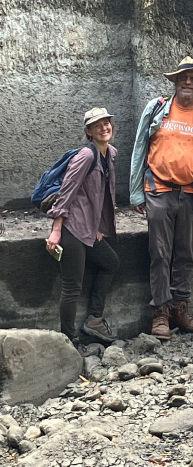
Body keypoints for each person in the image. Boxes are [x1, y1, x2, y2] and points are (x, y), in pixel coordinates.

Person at [129, 56, 193, 340]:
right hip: (158, 191)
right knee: (160, 253)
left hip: (192, 195)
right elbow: (139, 150)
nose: (187, 82)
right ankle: (160, 312)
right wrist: (135, 192)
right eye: (183, 77)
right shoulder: (157, 109)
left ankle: (180, 308)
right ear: (175, 81)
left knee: (186, 254)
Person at [47, 108, 120, 356]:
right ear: (88, 131)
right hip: (72, 227)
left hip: (89, 228)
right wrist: (56, 230)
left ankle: (94, 320)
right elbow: (66, 193)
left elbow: (100, 194)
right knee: (72, 287)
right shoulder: (85, 157)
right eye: (97, 125)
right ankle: (70, 342)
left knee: (111, 262)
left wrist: (99, 225)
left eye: (107, 123)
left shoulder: (110, 154)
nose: (104, 127)